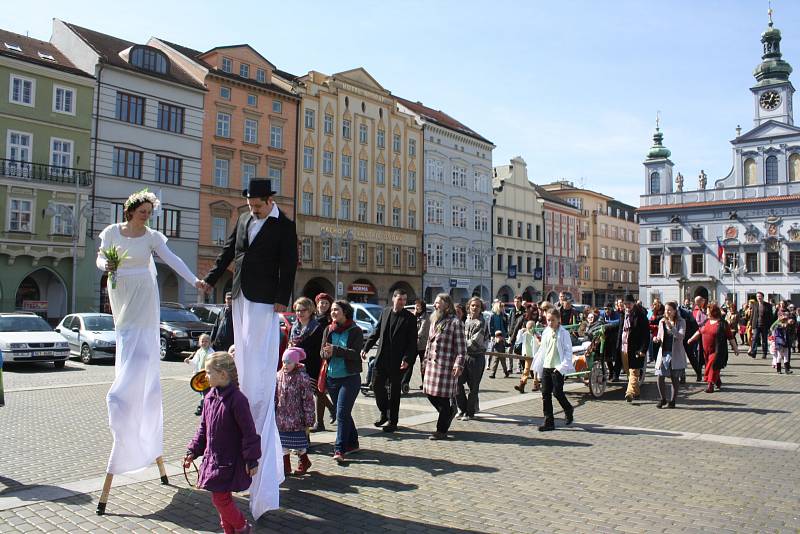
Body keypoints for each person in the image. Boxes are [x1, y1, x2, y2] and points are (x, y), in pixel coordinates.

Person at [201, 178, 297, 519]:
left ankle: (255, 387)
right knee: (241, 351)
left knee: (258, 357)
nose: (252, 209)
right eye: (250, 204)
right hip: (241, 293)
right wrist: (210, 280)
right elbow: (229, 251)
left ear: (269, 200)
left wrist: (281, 301)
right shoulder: (243, 219)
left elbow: (289, 263)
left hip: (264, 298)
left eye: (257, 204)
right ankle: (242, 378)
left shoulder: (284, 225)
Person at [97, 189, 205, 477]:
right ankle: (124, 381)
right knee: (125, 334)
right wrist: (105, 265)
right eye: (142, 211)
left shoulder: (152, 237)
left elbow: (172, 260)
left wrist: (194, 280)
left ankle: (130, 384)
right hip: (120, 287)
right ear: (130, 211)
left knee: (141, 339)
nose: (146, 216)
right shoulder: (112, 232)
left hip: (144, 289)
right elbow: (99, 259)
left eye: (149, 212)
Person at [184, 351, 260, 534]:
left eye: (209, 372)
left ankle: (242, 527)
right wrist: (192, 450)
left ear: (223, 374)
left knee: (220, 500)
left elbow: (249, 432)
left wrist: (252, 459)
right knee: (220, 499)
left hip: (230, 461)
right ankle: (229, 530)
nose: (205, 376)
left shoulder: (238, 400)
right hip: (213, 459)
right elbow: (203, 429)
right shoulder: (209, 397)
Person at [362, 289, 417, 433]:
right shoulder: (385, 312)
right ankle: (384, 412)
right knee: (376, 386)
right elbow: (376, 332)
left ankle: (393, 421)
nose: (402, 302)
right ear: (393, 299)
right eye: (400, 299)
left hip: (398, 361)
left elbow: (412, 343)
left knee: (394, 392)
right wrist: (366, 348)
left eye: (405, 300)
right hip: (381, 358)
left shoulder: (409, 318)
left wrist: (407, 359)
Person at [321, 301, 364, 463]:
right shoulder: (328, 329)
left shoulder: (355, 330)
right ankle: (353, 443)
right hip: (332, 377)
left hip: (350, 378)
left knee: (341, 413)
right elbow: (322, 352)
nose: (333, 312)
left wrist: (336, 350)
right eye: (331, 310)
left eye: (336, 310)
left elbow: (355, 353)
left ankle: (339, 449)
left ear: (345, 311)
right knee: (344, 413)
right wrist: (325, 353)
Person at [423, 293, 466, 440]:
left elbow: (461, 349)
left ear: (447, 305)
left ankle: (441, 430)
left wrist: (458, 365)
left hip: (445, 367)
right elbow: (429, 343)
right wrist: (424, 362)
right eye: (435, 303)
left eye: (438, 303)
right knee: (429, 394)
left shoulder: (455, 322)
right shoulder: (434, 320)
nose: (435, 305)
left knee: (442, 399)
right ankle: (449, 411)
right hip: (431, 367)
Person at [289, 297, 331, 433]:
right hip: (293, 368)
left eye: (303, 310)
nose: (299, 313)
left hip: (310, 369)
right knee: (295, 404)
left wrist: (299, 350)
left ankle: (305, 437)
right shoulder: (294, 327)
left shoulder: (317, 328)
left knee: (305, 404)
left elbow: (318, 351)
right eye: (297, 310)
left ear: (310, 310)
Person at [275, 347, 315, 476]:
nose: (285, 365)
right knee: (283, 443)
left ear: (296, 363)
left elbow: (308, 399)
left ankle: (304, 461)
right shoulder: (279, 375)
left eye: (289, 362)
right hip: (281, 416)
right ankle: (285, 466)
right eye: (284, 362)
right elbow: (275, 395)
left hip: (297, 417)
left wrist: (309, 417)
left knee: (298, 443)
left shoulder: (302, 377)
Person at [532, 309, 574, 431]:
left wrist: (561, 367)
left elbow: (568, 351)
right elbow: (543, 349)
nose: (550, 322)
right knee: (545, 394)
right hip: (546, 366)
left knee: (557, 392)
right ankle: (548, 421)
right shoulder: (546, 331)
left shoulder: (564, 333)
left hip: (557, 368)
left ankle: (568, 409)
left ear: (558, 320)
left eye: (552, 320)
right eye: (548, 320)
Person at [688, 303, 738, 392]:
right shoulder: (706, 322)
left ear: (714, 312)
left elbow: (730, 337)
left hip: (718, 351)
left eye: (708, 312)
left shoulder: (722, 324)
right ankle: (718, 382)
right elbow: (699, 331)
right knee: (712, 366)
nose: (706, 314)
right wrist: (691, 339)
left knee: (712, 366)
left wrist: (735, 348)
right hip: (706, 350)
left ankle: (710, 385)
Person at [456, 297, 489, 421]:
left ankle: (470, 413)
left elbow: (475, 342)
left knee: (473, 387)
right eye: (473, 305)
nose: (475, 308)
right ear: (468, 307)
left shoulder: (482, 323)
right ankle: (462, 408)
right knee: (457, 382)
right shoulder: (467, 320)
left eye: (478, 306)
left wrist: (459, 344)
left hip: (477, 357)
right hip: (465, 356)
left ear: (481, 309)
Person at [615, 294, 649, 402]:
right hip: (624, 348)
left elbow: (645, 334)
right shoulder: (623, 315)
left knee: (634, 371)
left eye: (629, 304)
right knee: (628, 372)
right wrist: (617, 346)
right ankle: (637, 392)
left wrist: (643, 349)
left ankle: (629, 393)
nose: (627, 306)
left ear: (633, 303)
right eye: (625, 304)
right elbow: (620, 331)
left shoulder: (640, 315)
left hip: (635, 348)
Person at [653, 302, 686, 408]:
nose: (667, 312)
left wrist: (671, 327)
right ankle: (662, 399)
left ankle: (672, 401)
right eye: (666, 310)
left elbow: (681, 336)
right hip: (663, 352)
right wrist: (656, 339)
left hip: (675, 353)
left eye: (670, 310)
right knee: (660, 376)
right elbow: (659, 335)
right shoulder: (662, 321)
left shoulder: (681, 321)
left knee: (674, 378)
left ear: (675, 311)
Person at [402, 299, 430, 392]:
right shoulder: (414, 316)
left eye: (418, 306)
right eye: (415, 306)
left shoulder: (426, 318)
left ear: (422, 307)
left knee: (423, 365)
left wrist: (411, 336)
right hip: (414, 345)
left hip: (423, 346)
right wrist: (413, 315)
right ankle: (404, 382)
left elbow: (421, 332)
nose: (416, 308)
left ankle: (425, 383)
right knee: (409, 363)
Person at [185, 333, 214, 416]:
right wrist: (189, 361)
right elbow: (195, 362)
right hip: (199, 376)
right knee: (201, 391)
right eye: (202, 341)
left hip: (207, 375)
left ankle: (202, 407)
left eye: (206, 341)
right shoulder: (199, 352)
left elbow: (214, 362)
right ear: (199, 342)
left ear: (210, 343)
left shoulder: (212, 352)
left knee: (205, 391)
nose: (204, 343)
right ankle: (205, 404)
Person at [514, 320, 541, 393]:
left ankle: (536, 384)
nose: (529, 329)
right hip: (528, 355)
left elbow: (540, 343)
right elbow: (518, 340)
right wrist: (520, 331)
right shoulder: (524, 334)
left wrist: (536, 336)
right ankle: (522, 385)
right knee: (526, 370)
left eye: (531, 328)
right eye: (528, 328)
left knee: (535, 371)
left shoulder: (537, 334)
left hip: (535, 355)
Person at [748, 292, 774, 359]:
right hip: (756, 324)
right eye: (757, 296)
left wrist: (770, 326)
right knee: (754, 338)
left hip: (765, 325)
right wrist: (750, 324)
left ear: (763, 297)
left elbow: (770, 316)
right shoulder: (755, 305)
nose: (759, 297)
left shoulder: (768, 305)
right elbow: (752, 315)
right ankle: (753, 352)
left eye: (760, 296)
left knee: (764, 340)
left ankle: (764, 353)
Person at [487, 301, 508, 371]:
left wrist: (506, 333)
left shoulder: (503, 315)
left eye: (503, 307)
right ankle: (488, 364)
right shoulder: (492, 315)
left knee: (502, 350)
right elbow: (490, 325)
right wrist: (491, 335)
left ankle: (504, 368)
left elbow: (506, 324)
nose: (502, 308)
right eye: (501, 307)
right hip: (495, 335)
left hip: (502, 335)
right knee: (492, 349)